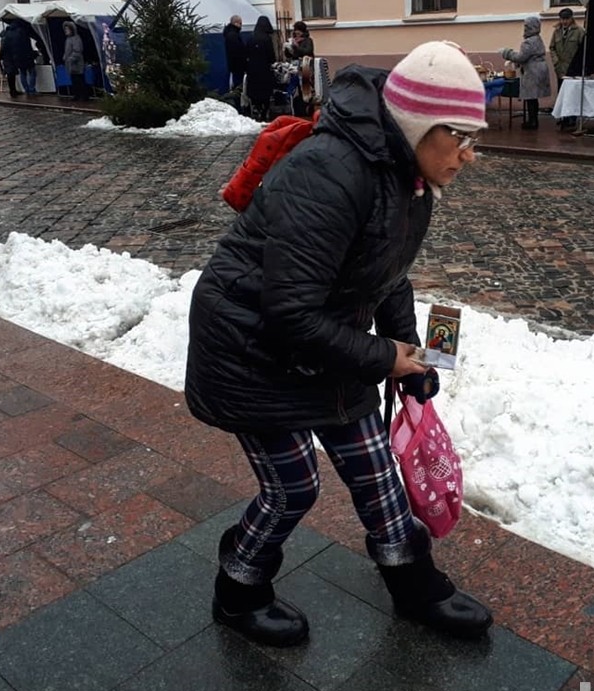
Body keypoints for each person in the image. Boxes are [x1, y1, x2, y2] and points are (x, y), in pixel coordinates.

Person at [186, 40, 493, 648]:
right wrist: (383, 357)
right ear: (417, 126)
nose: (469, 155)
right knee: (293, 487)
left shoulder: (408, 175)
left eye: (473, 138)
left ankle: (413, 583)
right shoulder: (330, 171)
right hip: (251, 348)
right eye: (458, 135)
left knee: (376, 469)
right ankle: (239, 586)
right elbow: (288, 312)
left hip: (326, 339)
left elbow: (387, 270)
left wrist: (408, 353)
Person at [499, 16, 551, 130]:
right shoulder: (537, 38)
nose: (525, 28)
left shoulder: (528, 42)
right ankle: (533, 120)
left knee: (530, 97)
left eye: (526, 26)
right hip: (539, 69)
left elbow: (521, 57)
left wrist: (506, 52)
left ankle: (532, 122)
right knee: (533, 98)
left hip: (532, 71)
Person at [549, 8, 586, 128]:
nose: (564, 22)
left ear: (571, 18)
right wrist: (555, 62)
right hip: (560, 68)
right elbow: (552, 47)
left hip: (573, 68)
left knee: (573, 94)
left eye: (566, 19)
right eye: (562, 19)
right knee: (562, 93)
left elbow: (582, 50)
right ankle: (564, 116)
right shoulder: (557, 32)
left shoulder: (579, 31)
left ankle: (572, 118)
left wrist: (577, 64)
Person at [245, 15, 276, 121]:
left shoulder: (251, 38)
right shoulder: (267, 39)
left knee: (255, 91)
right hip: (264, 70)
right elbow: (271, 56)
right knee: (265, 92)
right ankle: (265, 110)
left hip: (252, 69)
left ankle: (256, 108)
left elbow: (246, 53)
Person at [0, 19, 37, 98]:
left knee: (22, 73)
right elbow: (27, 45)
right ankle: (31, 89)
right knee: (32, 72)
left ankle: (26, 89)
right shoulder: (23, 32)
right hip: (26, 56)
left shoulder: (7, 35)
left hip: (15, 58)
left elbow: (3, 48)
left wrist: (0, 57)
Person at [285, 21, 316, 116]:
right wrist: (287, 48)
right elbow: (290, 55)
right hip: (295, 66)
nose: (297, 33)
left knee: (306, 87)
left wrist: (296, 47)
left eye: (298, 31)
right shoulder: (293, 40)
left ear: (303, 31)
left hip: (306, 67)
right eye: (295, 31)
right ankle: (297, 108)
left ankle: (307, 107)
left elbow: (308, 51)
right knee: (296, 87)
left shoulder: (308, 40)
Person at [62, 21, 88, 101]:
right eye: (65, 29)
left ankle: (83, 96)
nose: (66, 31)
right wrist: (65, 57)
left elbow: (77, 51)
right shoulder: (68, 39)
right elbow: (68, 50)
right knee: (74, 80)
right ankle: (77, 95)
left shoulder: (76, 38)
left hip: (77, 63)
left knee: (79, 80)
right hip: (71, 64)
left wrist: (70, 59)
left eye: (68, 29)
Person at [224, 14, 246, 91]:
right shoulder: (234, 35)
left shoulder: (230, 34)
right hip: (238, 65)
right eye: (240, 23)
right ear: (236, 23)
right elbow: (238, 51)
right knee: (238, 85)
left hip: (234, 65)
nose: (241, 26)